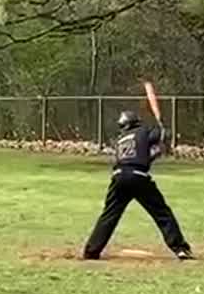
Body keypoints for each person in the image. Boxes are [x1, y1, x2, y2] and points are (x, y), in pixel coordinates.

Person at [82, 108, 193, 261]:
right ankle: (180, 248)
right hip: (139, 177)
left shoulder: (120, 140)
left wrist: (154, 153)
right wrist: (162, 128)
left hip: (119, 177)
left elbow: (137, 156)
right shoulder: (143, 130)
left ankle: (91, 251)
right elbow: (160, 137)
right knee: (162, 213)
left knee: (109, 215)